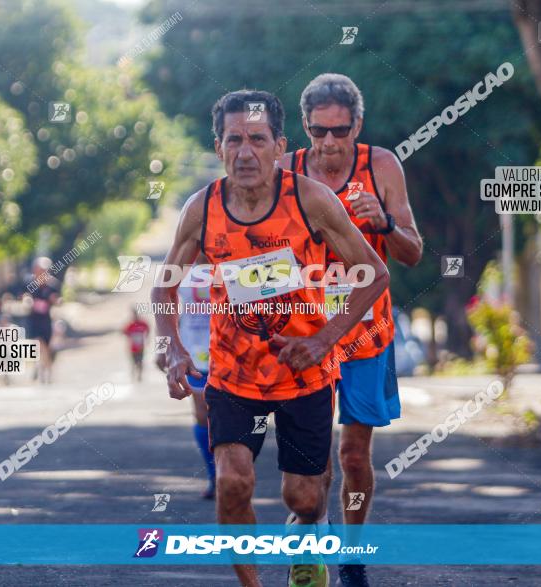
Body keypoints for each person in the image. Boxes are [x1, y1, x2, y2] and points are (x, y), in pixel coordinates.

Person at [152, 90, 389, 587]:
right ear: (218, 148)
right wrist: (170, 344)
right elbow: (165, 284)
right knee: (233, 483)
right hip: (233, 375)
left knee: (303, 497)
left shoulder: (311, 200)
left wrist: (326, 339)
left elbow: (374, 272)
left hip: (303, 373)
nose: (245, 153)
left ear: (279, 146)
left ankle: (306, 535)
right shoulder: (204, 209)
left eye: (257, 140)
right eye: (233, 140)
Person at [280, 73, 423, 587]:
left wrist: (384, 222)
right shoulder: (287, 170)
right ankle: (310, 553)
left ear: (357, 126)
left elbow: (413, 250)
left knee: (354, 455)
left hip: (366, 334)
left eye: (340, 131)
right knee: (311, 459)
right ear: (305, 128)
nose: (329, 143)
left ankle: (353, 556)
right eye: (318, 132)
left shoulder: (380, 165)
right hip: (307, 334)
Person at [173, 280, 216, 499]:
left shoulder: (228, 257)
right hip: (195, 354)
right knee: (202, 415)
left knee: (230, 414)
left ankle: (233, 470)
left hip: (230, 353)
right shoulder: (182, 264)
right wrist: (168, 347)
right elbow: (166, 300)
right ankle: (214, 475)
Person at [25, 257, 60, 384]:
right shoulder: (29, 284)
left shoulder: (52, 285)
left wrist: (55, 300)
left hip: (46, 321)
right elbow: (23, 297)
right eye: (39, 270)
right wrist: (27, 301)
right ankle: (38, 368)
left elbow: (57, 300)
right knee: (38, 344)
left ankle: (47, 371)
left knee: (47, 347)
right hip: (34, 320)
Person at [122, 308, 149, 382]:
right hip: (132, 347)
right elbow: (124, 332)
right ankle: (133, 376)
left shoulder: (143, 323)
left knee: (140, 361)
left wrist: (147, 338)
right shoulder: (130, 325)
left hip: (141, 347)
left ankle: (139, 376)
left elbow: (148, 329)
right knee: (133, 362)